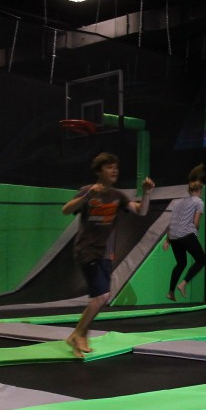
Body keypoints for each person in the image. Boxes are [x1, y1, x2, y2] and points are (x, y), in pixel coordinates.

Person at [62, 152, 155, 358]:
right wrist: (86, 196)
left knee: (102, 297)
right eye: (109, 167)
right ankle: (77, 334)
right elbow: (66, 210)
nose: (114, 171)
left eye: (116, 168)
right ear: (98, 171)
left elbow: (141, 211)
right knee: (101, 296)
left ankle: (81, 336)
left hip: (104, 253)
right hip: (86, 250)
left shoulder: (117, 196)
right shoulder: (88, 191)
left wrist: (146, 193)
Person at [163, 178, 206, 301]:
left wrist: (167, 240)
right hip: (186, 235)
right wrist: (195, 233)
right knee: (202, 260)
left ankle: (171, 292)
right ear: (199, 190)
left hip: (174, 237)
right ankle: (183, 284)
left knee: (181, 263)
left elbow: (172, 221)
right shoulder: (199, 202)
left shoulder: (178, 202)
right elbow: (196, 222)